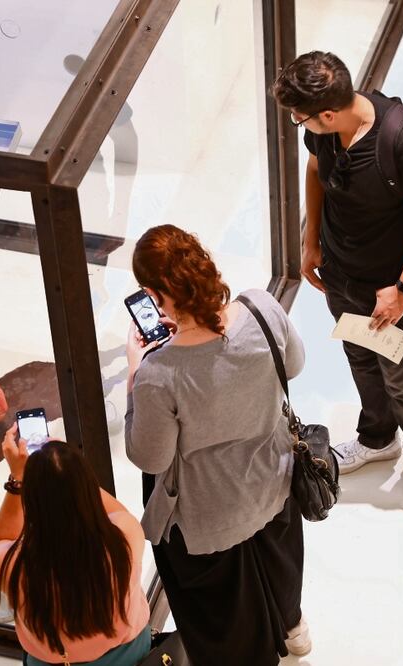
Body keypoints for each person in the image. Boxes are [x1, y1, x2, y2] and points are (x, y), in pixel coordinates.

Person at [124, 224, 309, 665]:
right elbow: (295, 365)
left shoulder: (159, 372)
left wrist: (136, 371)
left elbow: (150, 457)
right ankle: (293, 629)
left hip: (209, 518)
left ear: (153, 294)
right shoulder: (262, 308)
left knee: (226, 625)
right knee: (281, 566)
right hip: (274, 480)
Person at [271, 50, 403, 511]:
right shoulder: (327, 134)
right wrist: (311, 239)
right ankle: (376, 437)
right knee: (360, 358)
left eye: (299, 117)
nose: (298, 122)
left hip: (388, 286)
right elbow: (314, 170)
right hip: (340, 276)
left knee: (401, 375)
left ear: (328, 112)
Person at [0, 426, 151, 665]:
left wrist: (17, 479)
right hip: (129, 654)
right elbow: (116, 511)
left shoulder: (13, 565)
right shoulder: (124, 538)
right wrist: (69, 469)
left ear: (31, 501)